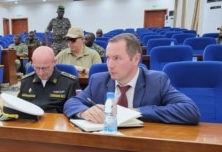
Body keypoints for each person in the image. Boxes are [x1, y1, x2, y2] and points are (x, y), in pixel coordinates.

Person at [63, 33, 201, 125]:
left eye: (117, 58)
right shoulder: (98, 80)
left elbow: (190, 111)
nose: (109, 65)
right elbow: (72, 103)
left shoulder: (157, 81)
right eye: (108, 58)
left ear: (135, 59)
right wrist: (84, 112)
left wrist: (135, 112)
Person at [17, 46, 81, 113]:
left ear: (54, 62)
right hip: (31, 121)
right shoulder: (26, 81)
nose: (41, 73)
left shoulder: (70, 82)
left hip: (58, 121)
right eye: (37, 68)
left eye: (45, 68)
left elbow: (75, 109)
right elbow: (19, 107)